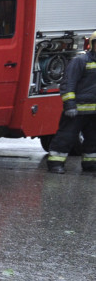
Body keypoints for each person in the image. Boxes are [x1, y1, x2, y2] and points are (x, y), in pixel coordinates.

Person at [46, 31, 96, 174]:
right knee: (66, 137)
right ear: (91, 45)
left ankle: (91, 164)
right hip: (77, 110)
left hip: (94, 113)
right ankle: (56, 163)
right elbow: (68, 84)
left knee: (93, 140)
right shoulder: (80, 61)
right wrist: (69, 105)